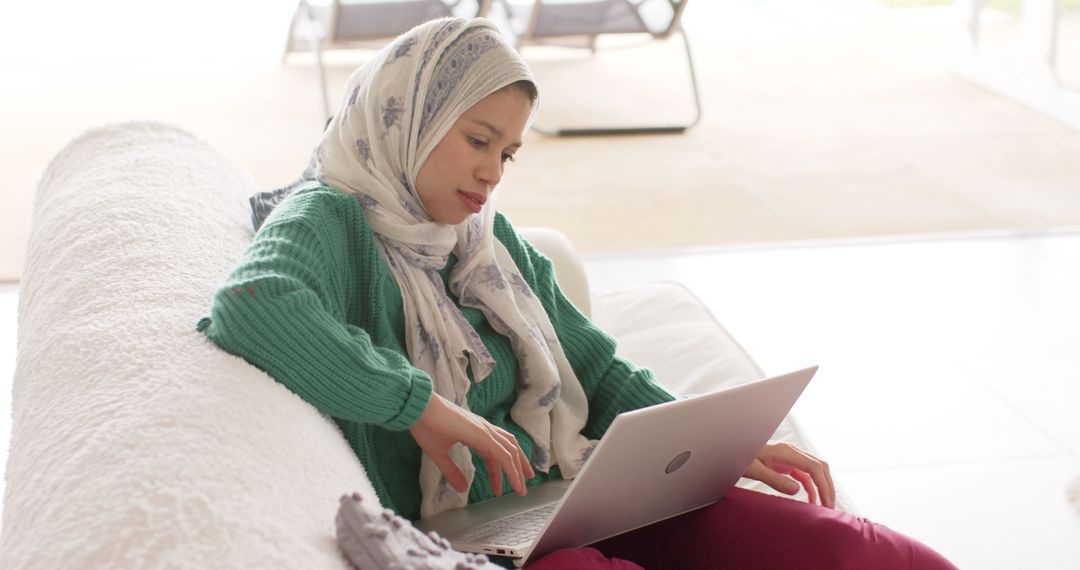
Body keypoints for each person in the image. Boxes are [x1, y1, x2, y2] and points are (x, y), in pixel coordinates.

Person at [199, 17, 956, 570]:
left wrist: (719, 444)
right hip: (467, 537)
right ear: (411, 115)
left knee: (850, 550)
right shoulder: (328, 215)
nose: (493, 171)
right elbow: (253, 304)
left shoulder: (485, 236)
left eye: (509, 151)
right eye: (477, 138)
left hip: (569, 498)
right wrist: (419, 408)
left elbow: (594, 367)